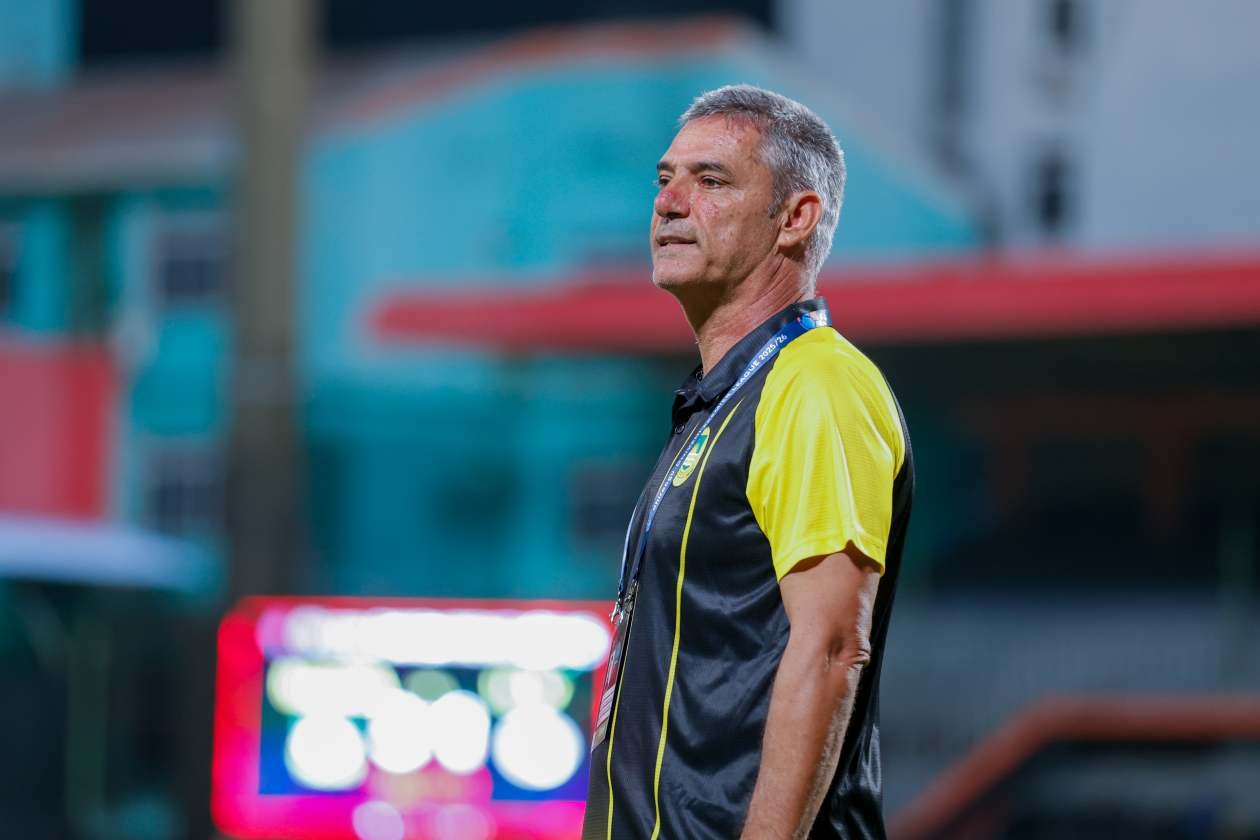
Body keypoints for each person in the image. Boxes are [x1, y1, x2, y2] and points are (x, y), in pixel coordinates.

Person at [580, 85, 915, 840]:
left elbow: (831, 649)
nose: (669, 203)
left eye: (712, 180)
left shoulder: (815, 382)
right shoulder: (723, 400)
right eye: (665, 179)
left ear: (795, 219)